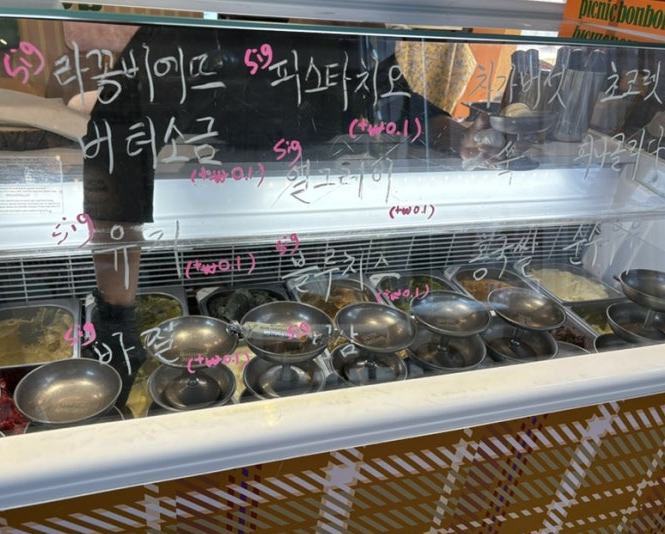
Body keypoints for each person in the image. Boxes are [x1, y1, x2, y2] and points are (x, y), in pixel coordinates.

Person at [80, 21, 499, 406]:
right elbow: (114, 150)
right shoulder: (191, 35)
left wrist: (458, 135)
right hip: (217, 248)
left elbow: (395, 100)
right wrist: (117, 316)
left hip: (321, 242)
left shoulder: (347, 28)